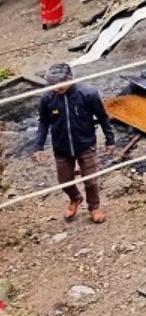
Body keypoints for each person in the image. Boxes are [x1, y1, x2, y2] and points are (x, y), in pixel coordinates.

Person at [32, 63, 115, 224]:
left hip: (86, 144)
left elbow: (103, 117)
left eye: (61, 83)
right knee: (64, 181)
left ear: (70, 78)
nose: (57, 87)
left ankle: (94, 207)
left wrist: (109, 140)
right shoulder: (47, 98)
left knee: (90, 180)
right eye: (53, 84)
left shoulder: (88, 94)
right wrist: (38, 146)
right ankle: (75, 198)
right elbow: (43, 122)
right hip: (61, 147)